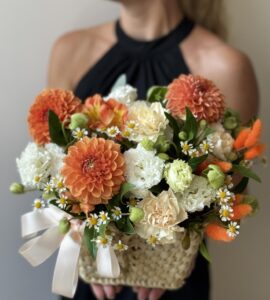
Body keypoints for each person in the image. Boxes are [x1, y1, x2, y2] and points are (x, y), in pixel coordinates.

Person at [48, 1, 259, 299]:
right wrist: (85, 239)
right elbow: (55, 172)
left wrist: (159, 254)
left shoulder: (225, 67)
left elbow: (228, 203)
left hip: (173, 284)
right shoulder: (70, 51)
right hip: (90, 280)